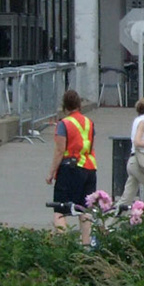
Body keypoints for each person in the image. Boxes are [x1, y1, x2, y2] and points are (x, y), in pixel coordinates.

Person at [44, 89, 97, 246]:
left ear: (65, 106)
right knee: (85, 209)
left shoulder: (64, 124)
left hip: (70, 168)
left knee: (60, 208)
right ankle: (86, 245)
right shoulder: (89, 123)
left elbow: (60, 150)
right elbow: (91, 145)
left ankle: (64, 245)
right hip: (90, 168)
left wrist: (51, 172)